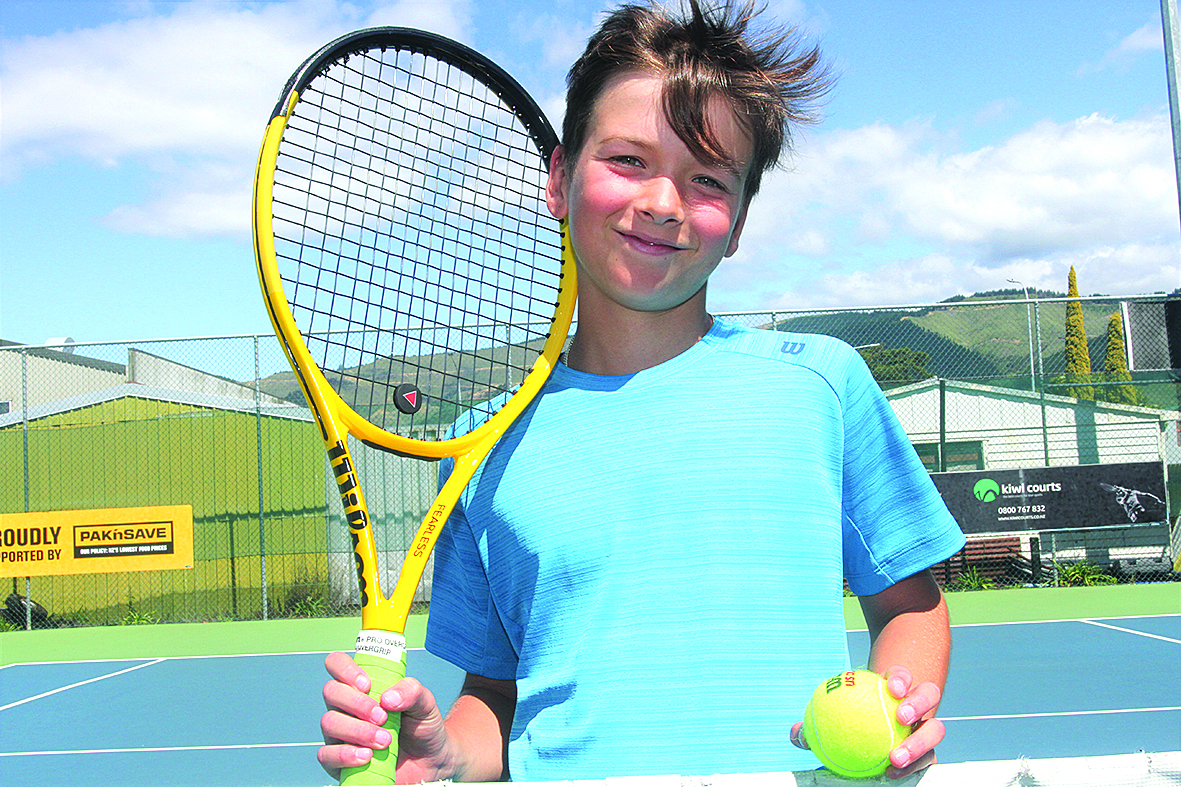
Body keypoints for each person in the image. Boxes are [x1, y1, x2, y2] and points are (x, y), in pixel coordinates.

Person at [319, 0, 967, 782]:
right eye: (628, 159)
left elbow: (909, 605)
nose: (662, 202)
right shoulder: (483, 441)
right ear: (560, 178)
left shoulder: (820, 385)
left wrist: (896, 711)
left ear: (739, 223)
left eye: (707, 179)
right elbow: (494, 692)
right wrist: (446, 755)